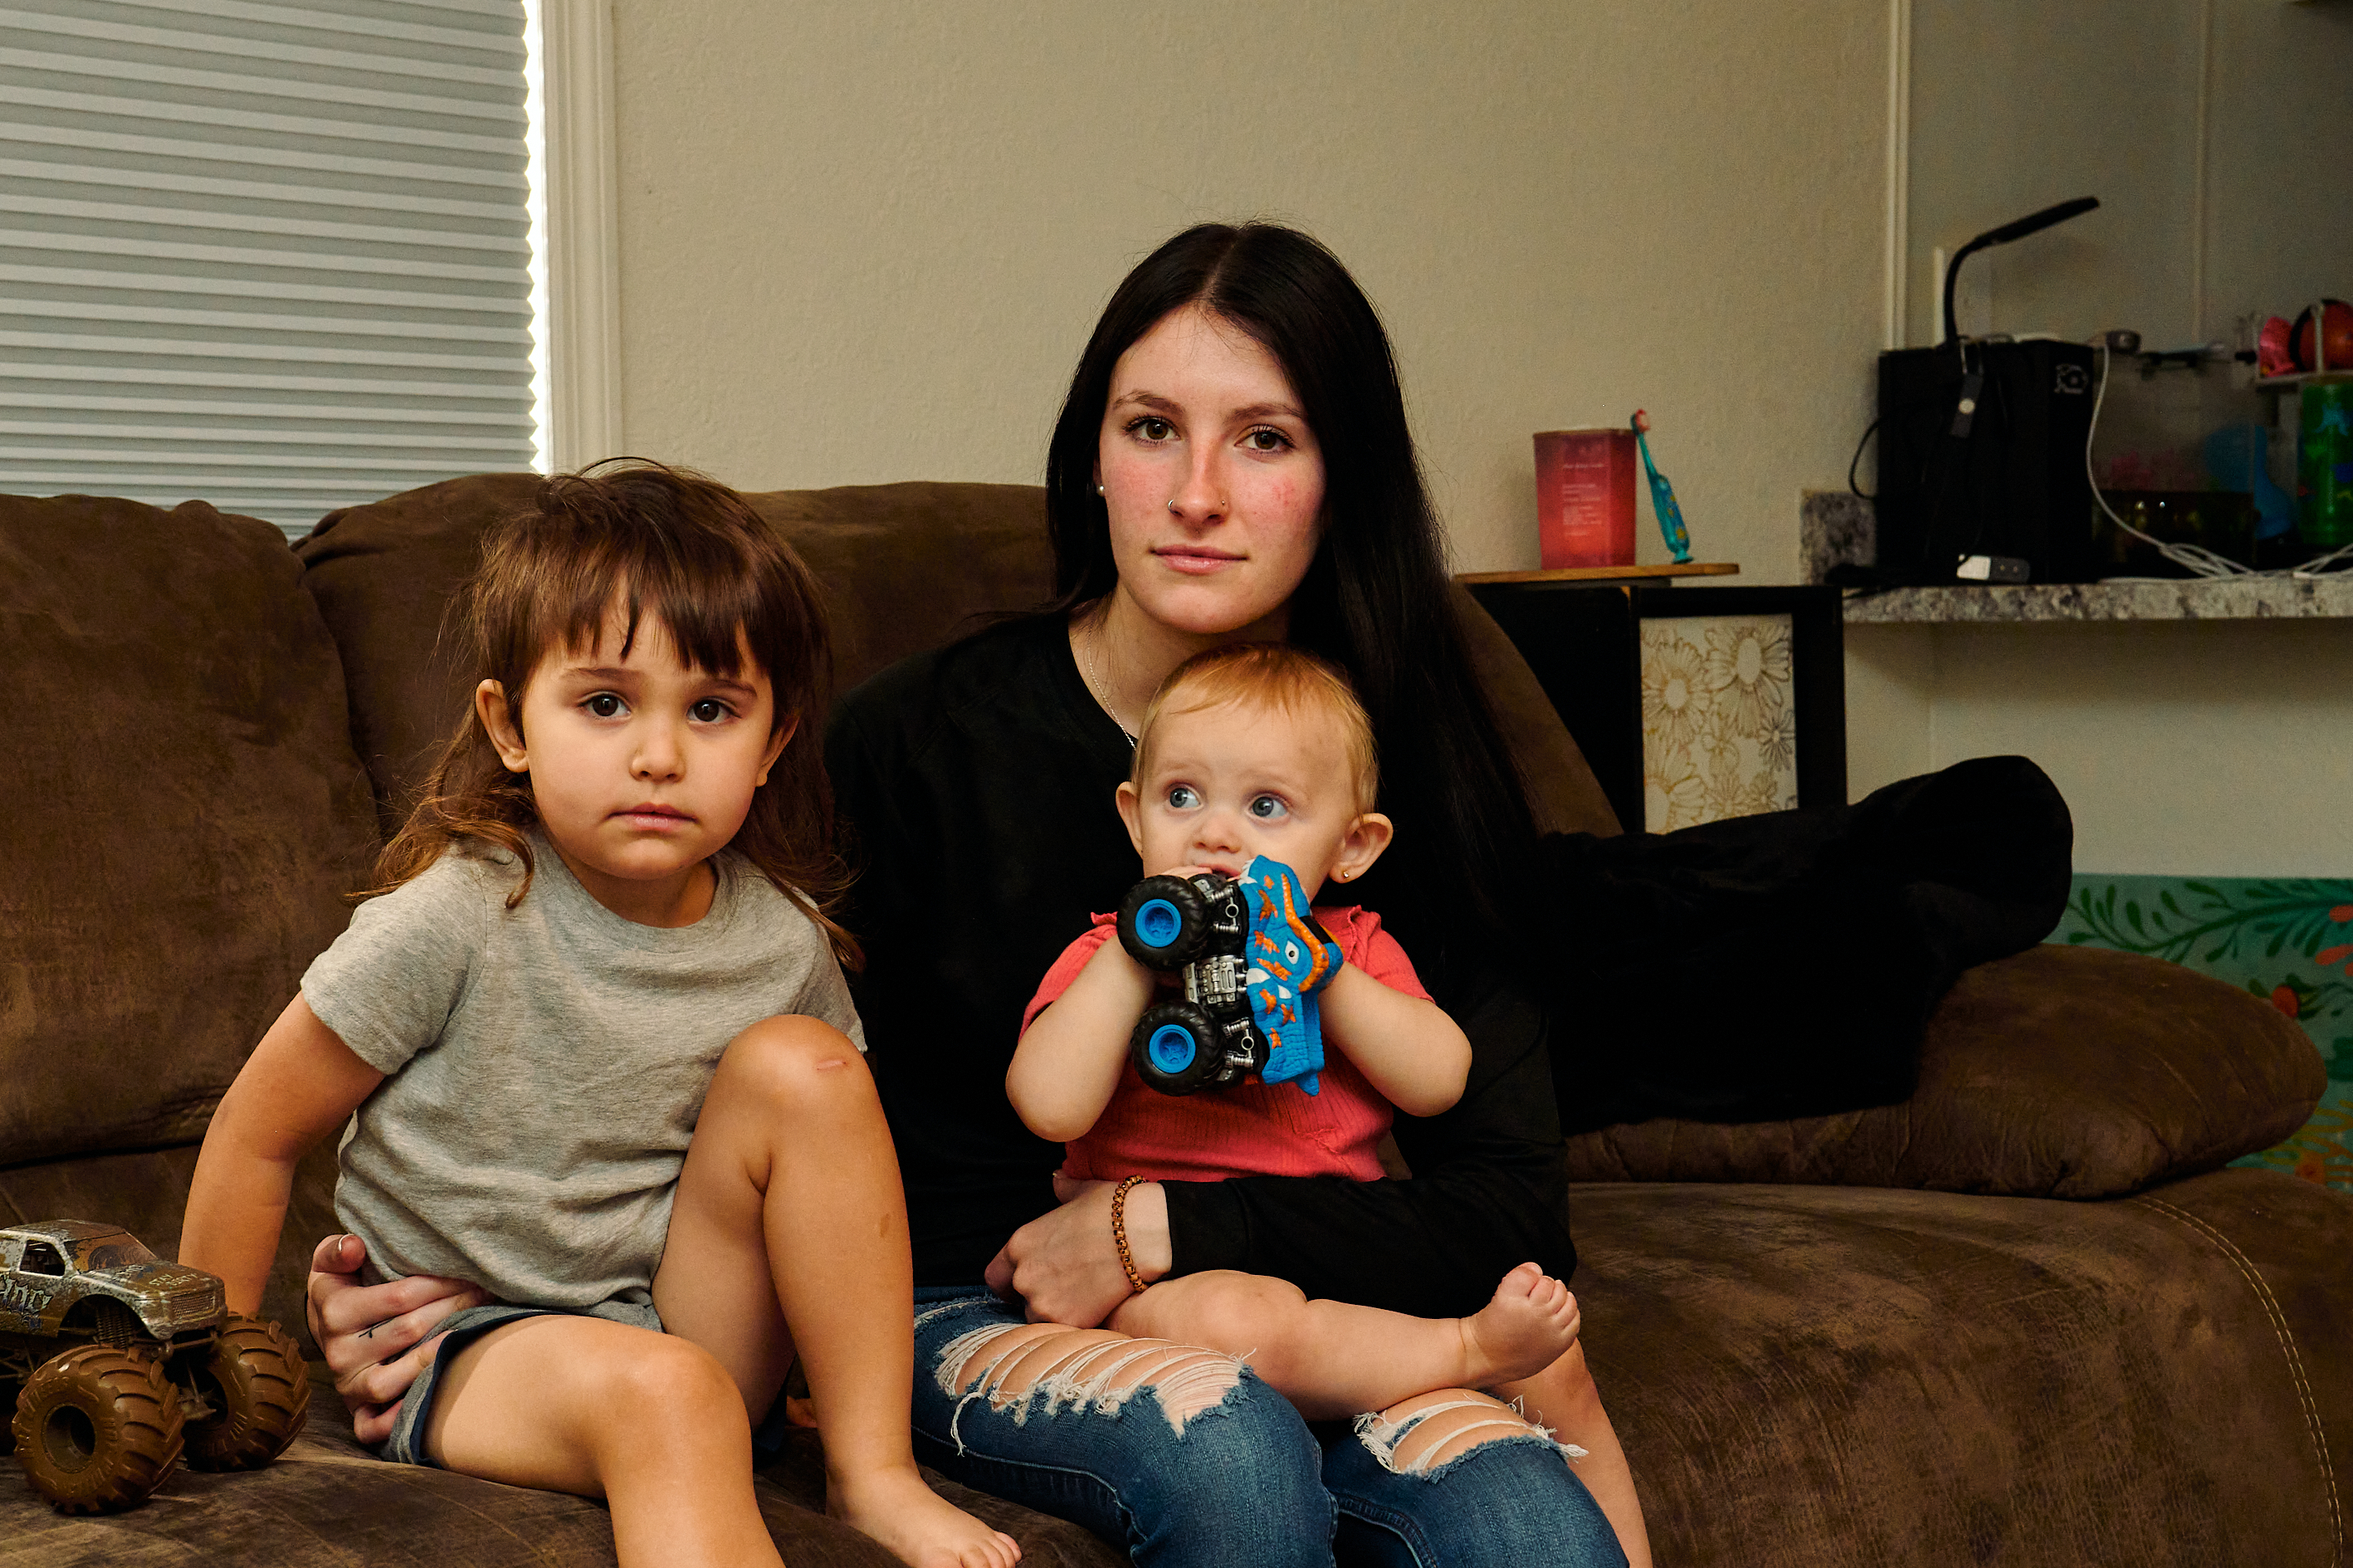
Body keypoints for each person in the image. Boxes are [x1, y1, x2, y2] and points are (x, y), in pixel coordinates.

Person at [304, 224, 1652, 1567]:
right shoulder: (918, 738)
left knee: (1534, 1530)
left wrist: (1165, 1225)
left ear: (1341, 475)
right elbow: (698, 1035)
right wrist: (483, 1292)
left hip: (1335, 1300)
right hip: (962, 1302)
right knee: (1228, 1452)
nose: (1195, 492)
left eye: (1264, 438)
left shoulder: (1406, 764)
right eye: (1150, 428)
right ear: (1093, 455)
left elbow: (1508, 1211)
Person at [179, 464, 1016, 1568]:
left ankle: (874, 1476)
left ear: (770, 749)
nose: (659, 755)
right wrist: (215, 1382)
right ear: (510, 723)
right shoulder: (458, 914)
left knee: (808, 1069)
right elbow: (257, 1132)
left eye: (712, 710)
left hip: (684, 1315)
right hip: (467, 1341)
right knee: (667, 1398)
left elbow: (827, 1192)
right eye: (606, 703)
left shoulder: (781, 938)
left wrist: (820, 1378)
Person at [1008, 642, 1585, 1424]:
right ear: (1132, 816)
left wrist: (1329, 979)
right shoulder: (1106, 952)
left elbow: (1438, 1078)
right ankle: (1462, 1353)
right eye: (1180, 797)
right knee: (1236, 1325)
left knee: (1558, 1369)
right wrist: (1133, 953)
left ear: (1352, 847)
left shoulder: (1350, 948)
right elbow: (1050, 1107)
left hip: (1327, 1244)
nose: (1215, 835)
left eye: (1266, 807)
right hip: (1161, 1284)